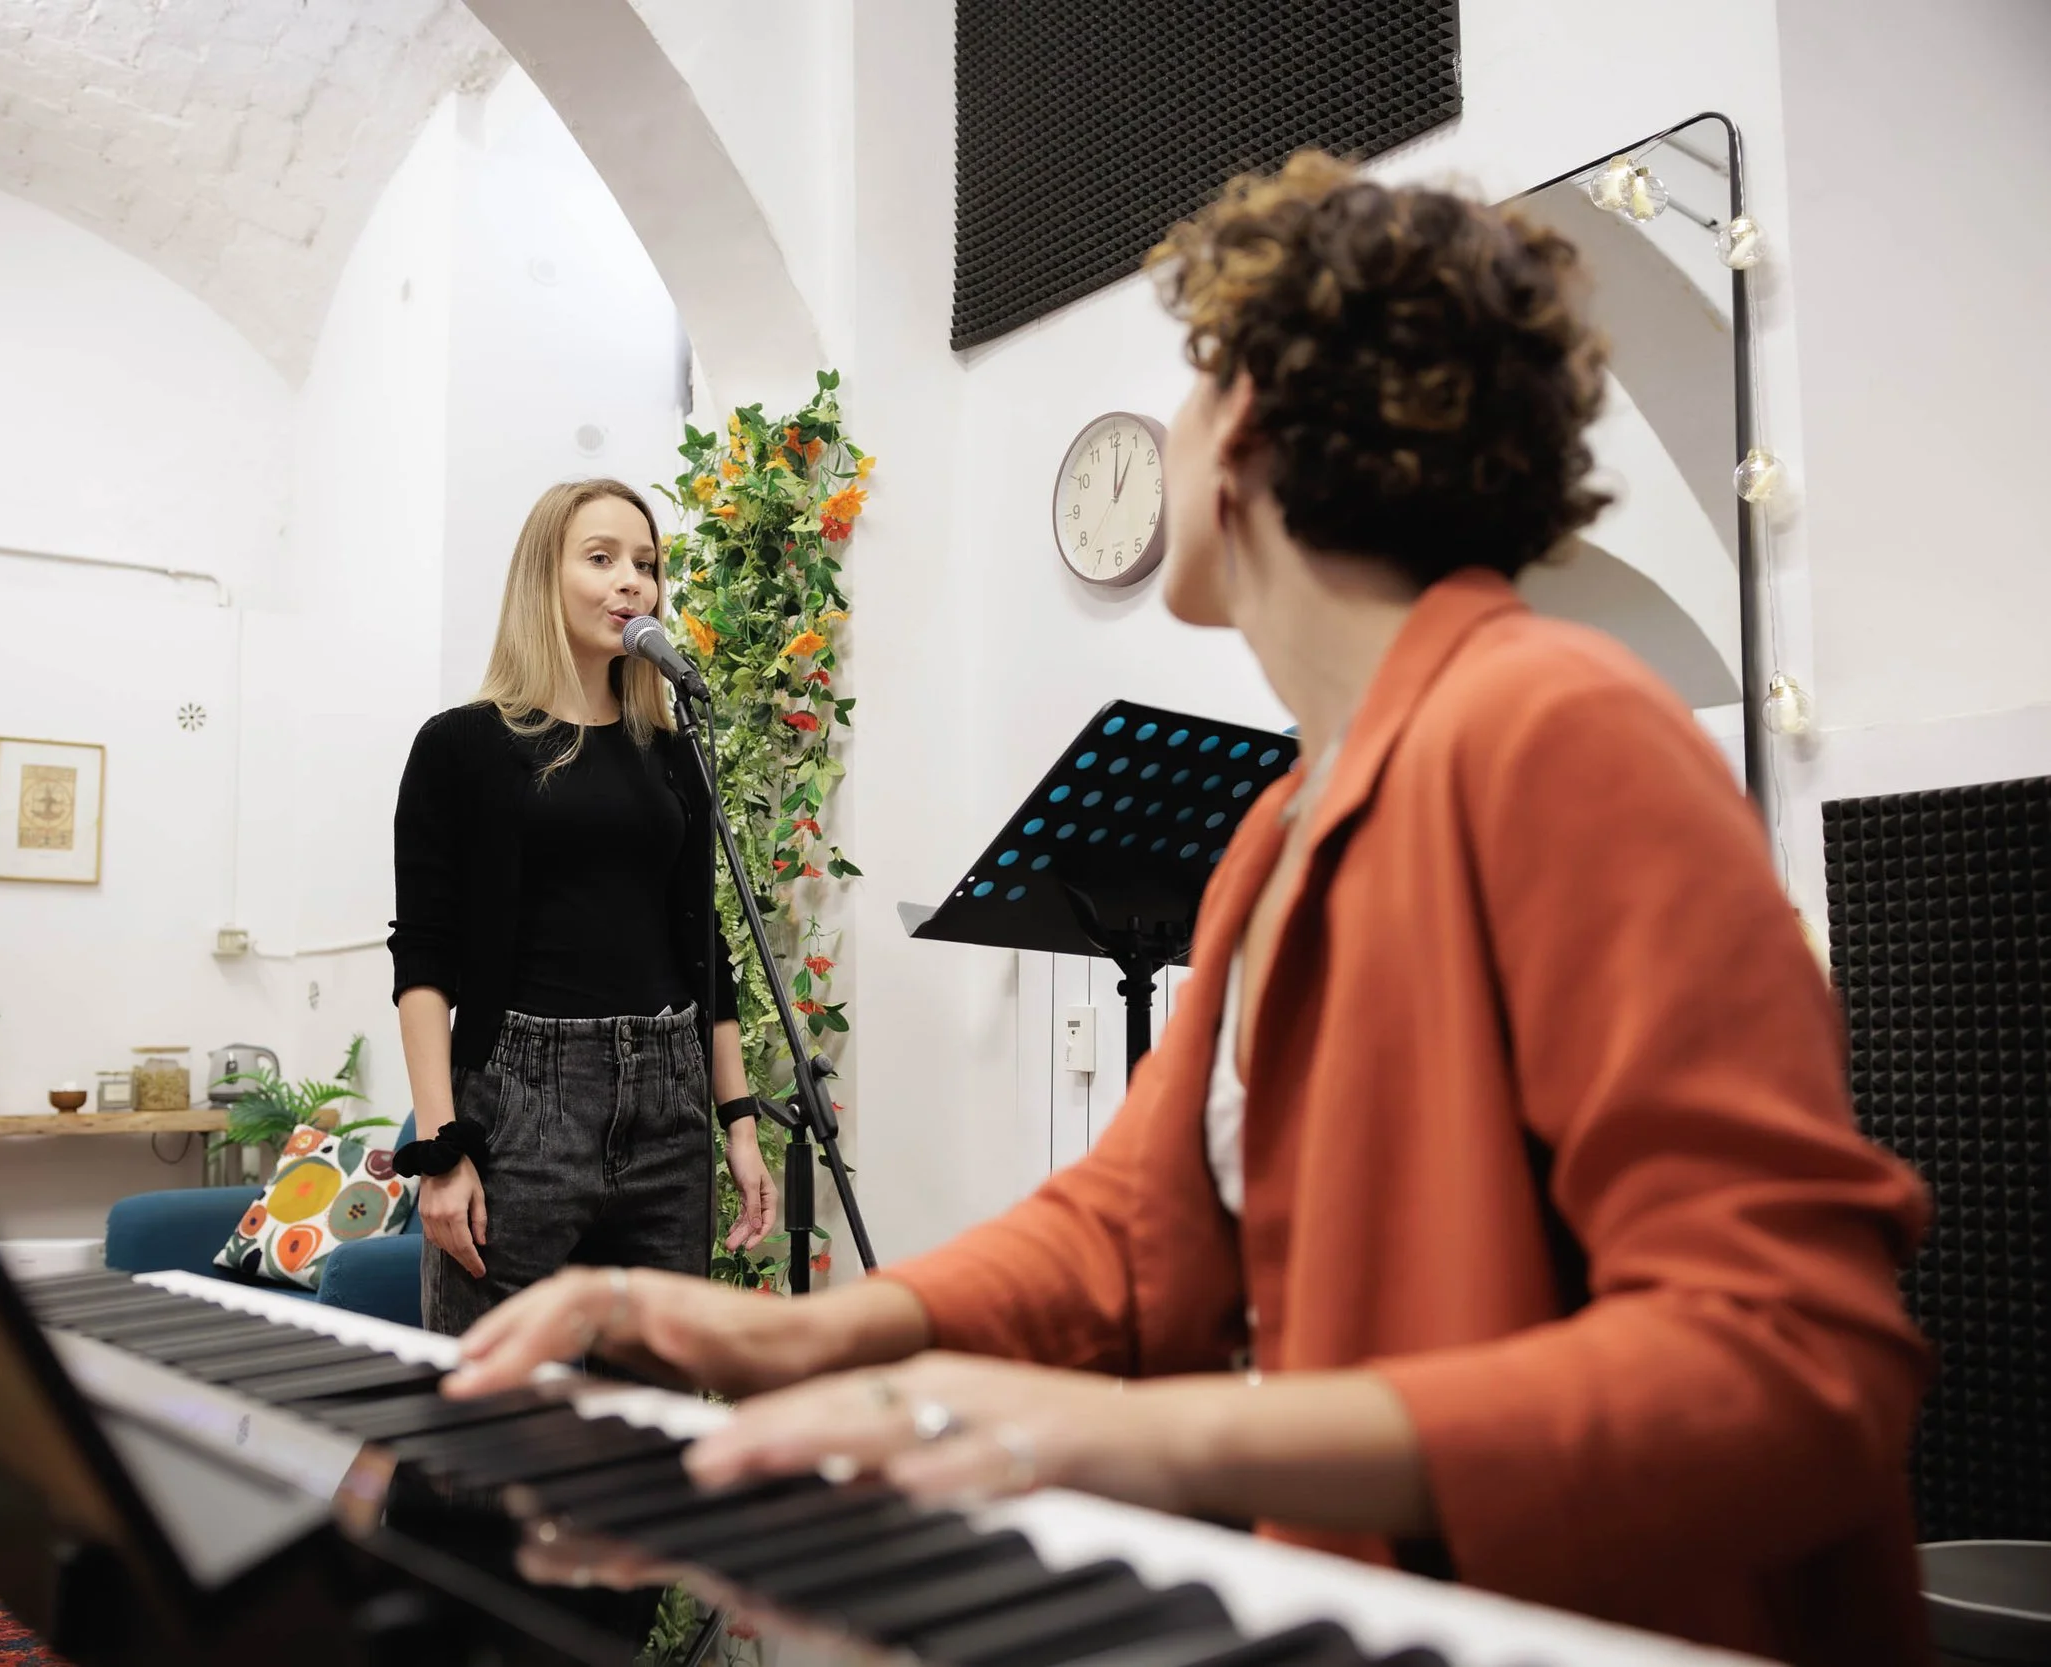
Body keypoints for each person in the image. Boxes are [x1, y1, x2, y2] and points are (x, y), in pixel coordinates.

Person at [438, 158, 1934, 1665]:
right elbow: (1132, 1231)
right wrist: (815, 1330)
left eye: (1195, 386)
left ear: (1254, 428)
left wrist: (1124, 1438)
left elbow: (1790, 1361)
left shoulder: (1563, 732)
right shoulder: (1288, 821)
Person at [386, 477, 777, 1341]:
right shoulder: (460, 746)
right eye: (601, 559)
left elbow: (703, 947)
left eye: (646, 563)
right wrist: (442, 1150)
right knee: (492, 1398)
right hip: (521, 1104)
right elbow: (424, 957)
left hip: (669, 1103)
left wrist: (739, 1124)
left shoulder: (672, 753)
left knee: (657, 1399)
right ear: (543, 577)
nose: (631, 581)